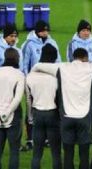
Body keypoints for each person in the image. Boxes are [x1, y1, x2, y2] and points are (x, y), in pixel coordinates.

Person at [25, 44, 63, 169]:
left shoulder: (30, 76)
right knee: (55, 153)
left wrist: (30, 117)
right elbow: (60, 98)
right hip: (53, 114)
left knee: (37, 153)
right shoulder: (56, 76)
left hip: (38, 114)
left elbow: (28, 99)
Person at [21, 20, 61, 152]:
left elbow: (58, 61)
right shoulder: (28, 44)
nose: (45, 33)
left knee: (50, 107)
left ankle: (48, 138)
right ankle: (30, 139)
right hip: (34, 82)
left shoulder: (52, 42)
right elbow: (24, 64)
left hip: (50, 81)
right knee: (31, 108)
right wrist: (27, 81)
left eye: (47, 30)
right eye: (43, 30)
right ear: (37, 31)